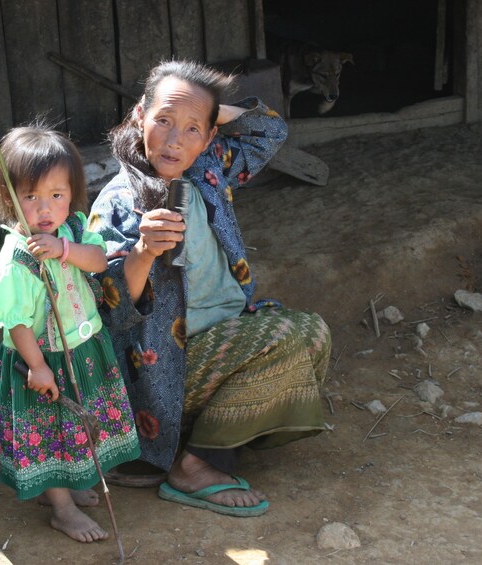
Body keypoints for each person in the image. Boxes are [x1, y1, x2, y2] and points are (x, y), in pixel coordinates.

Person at [88, 60, 331, 517]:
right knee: (284, 339)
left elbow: (268, 131)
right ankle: (194, 466)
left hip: (220, 337)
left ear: (209, 137)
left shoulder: (208, 168)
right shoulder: (122, 200)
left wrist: (207, 109)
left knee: (314, 334)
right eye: (162, 121)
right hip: (164, 369)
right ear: (139, 116)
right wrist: (141, 253)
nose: (174, 141)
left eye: (191, 129)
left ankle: (207, 431)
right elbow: (105, 309)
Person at [0, 125, 141, 541]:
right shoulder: (18, 257)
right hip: (41, 362)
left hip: (83, 349)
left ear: (72, 194)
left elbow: (97, 261)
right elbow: (16, 322)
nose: (44, 208)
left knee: (73, 426)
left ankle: (68, 485)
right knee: (49, 431)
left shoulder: (72, 227)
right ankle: (60, 507)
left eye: (56, 195)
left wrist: (65, 250)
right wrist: (37, 367)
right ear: (9, 198)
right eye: (30, 196)